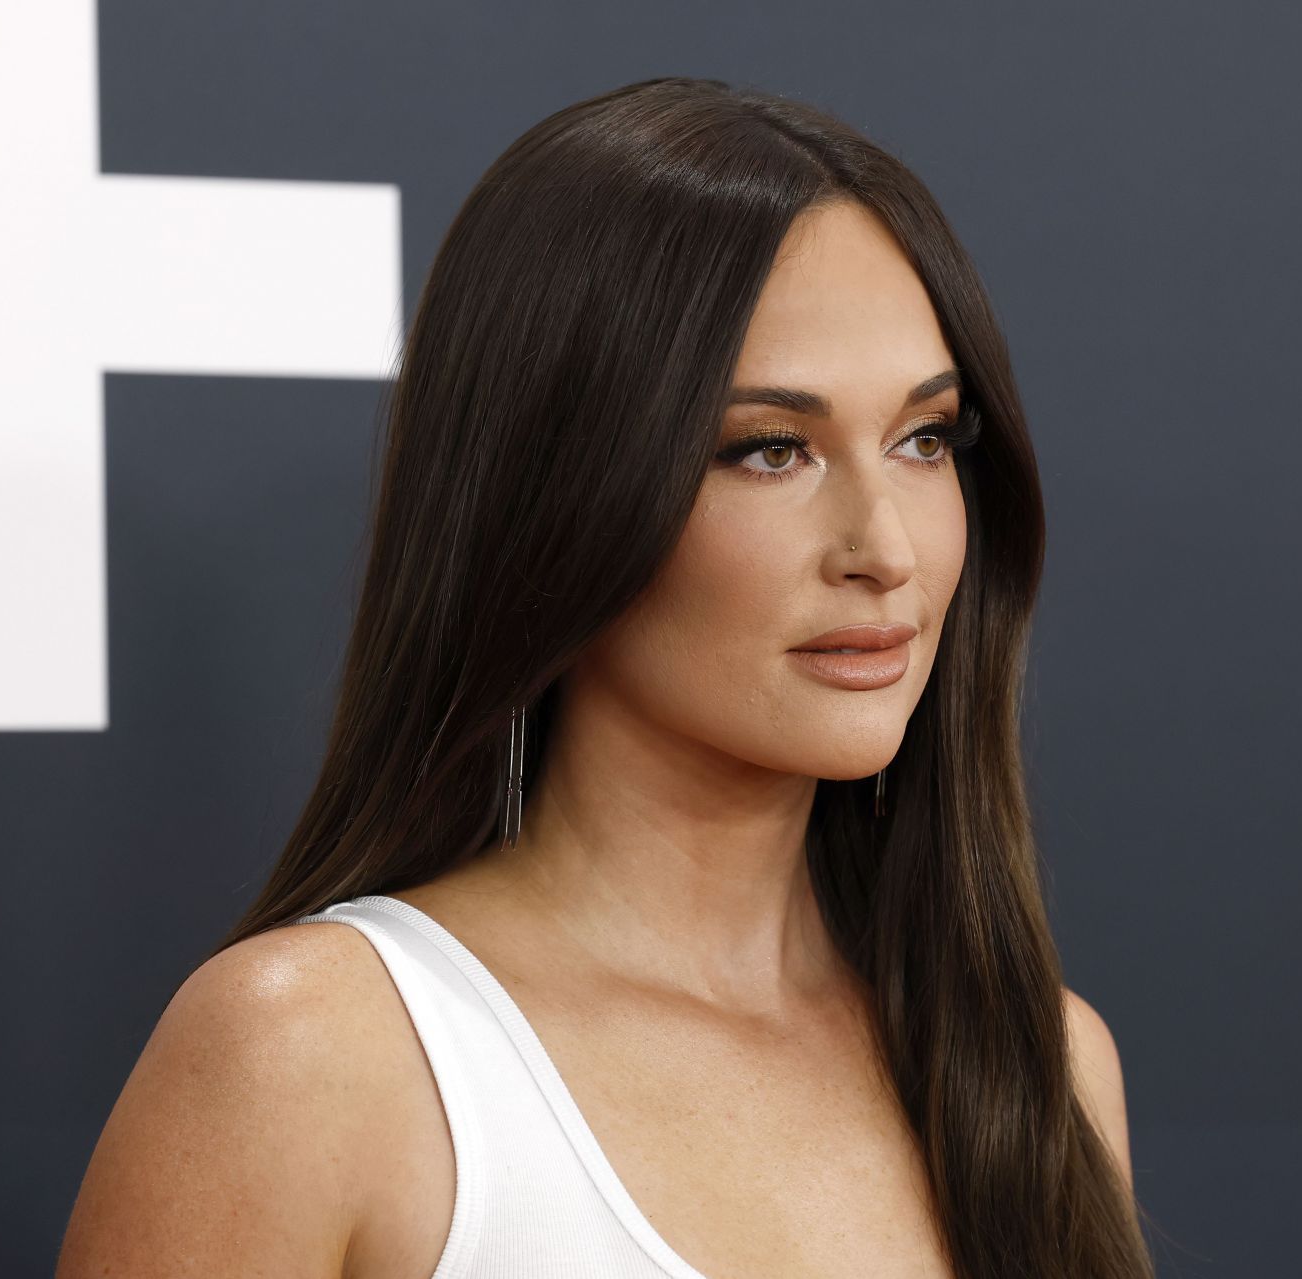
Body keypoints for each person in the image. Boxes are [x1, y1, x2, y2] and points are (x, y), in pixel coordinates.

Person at [57, 76, 1153, 1279]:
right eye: (770, 449)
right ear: (561, 496)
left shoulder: (1043, 1067)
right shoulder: (317, 1059)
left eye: (924, 438)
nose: (887, 550)